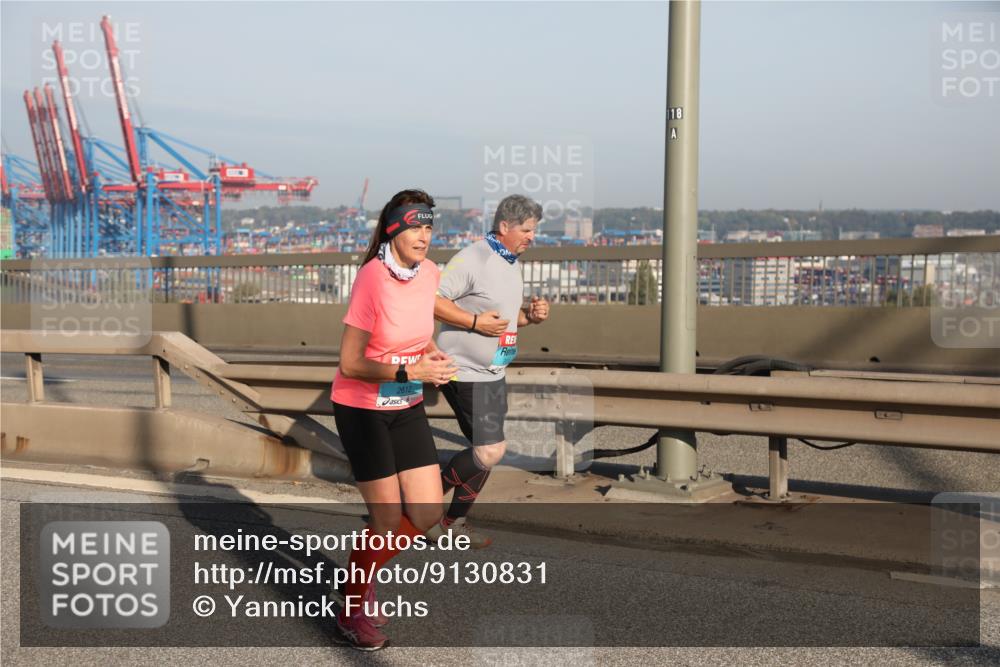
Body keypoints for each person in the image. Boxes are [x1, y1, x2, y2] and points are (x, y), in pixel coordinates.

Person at [330, 189, 457, 650]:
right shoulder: (371, 278)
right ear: (394, 229)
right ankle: (351, 605)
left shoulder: (428, 274)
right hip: (361, 407)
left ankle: (362, 578)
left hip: (404, 402)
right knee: (385, 520)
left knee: (425, 513)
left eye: (429, 227)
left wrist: (431, 355)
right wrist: (410, 370)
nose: (424, 236)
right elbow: (349, 362)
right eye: (416, 227)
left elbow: (417, 330)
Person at [430, 194, 550, 548]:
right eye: (527, 230)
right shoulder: (474, 257)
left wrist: (529, 317)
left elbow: (499, 323)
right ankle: (419, 503)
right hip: (465, 371)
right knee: (489, 450)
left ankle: (452, 523)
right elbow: (432, 301)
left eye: (534, 230)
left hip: (493, 372)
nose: (532, 236)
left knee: (484, 453)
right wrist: (472, 321)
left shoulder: (510, 261)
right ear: (504, 227)